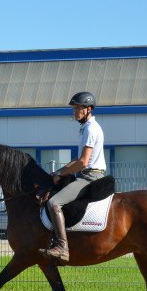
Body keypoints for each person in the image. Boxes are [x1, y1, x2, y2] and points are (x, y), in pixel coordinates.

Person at [39, 91, 106, 263]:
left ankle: (62, 247)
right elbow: (78, 159)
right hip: (86, 174)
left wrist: (61, 173)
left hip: (89, 177)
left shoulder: (90, 129)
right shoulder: (86, 128)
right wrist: (59, 171)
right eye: (74, 108)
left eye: (78, 108)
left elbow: (83, 162)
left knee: (54, 203)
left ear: (89, 109)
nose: (75, 111)